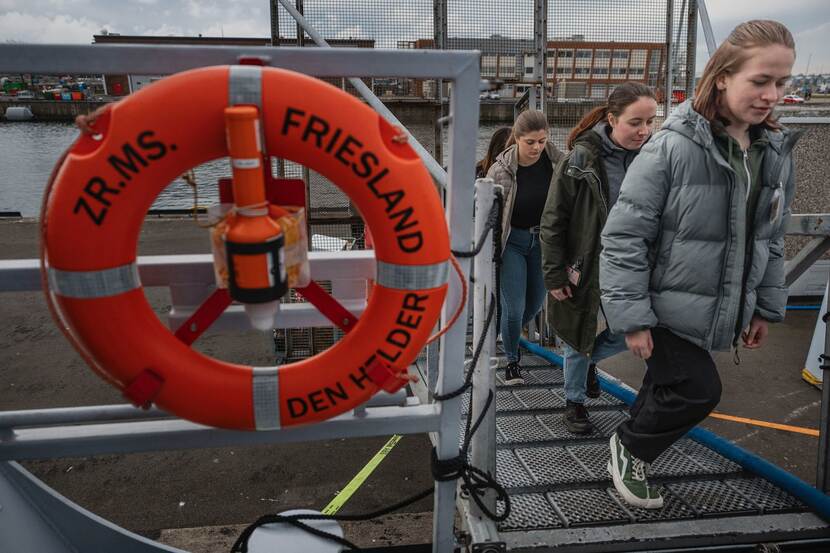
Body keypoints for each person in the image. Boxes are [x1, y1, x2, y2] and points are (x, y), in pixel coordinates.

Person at [600, 20, 799, 509]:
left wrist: (761, 309)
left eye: (782, 82)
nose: (772, 94)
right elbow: (624, 237)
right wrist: (633, 318)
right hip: (663, 303)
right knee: (697, 388)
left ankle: (627, 447)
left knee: (668, 381)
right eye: (760, 80)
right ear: (724, 76)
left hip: (717, 305)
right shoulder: (671, 148)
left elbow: (770, 239)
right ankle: (629, 447)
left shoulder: (772, 153)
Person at [541, 82, 658, 435]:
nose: (645, 131)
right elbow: (553, 218)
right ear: (611, 119)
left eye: (651, 121)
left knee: (632, 327)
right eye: (636, 122)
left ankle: (590, 362)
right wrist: (555, 274)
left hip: (637, 265)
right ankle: (574, 402)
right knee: (579, 334)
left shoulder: (656, 158)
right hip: (589, 263)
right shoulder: (580, 160)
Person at [486, 110, 564, 384]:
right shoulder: (500, 170)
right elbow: (488, 214)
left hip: (543, 243)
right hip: (513, 245)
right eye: (530, 142)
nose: (537, 147)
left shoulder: (557, 164)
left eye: (542, 141)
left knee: (533, 307)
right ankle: (512, 362)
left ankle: (502, 332)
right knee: (515, 308)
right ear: (517, 138)